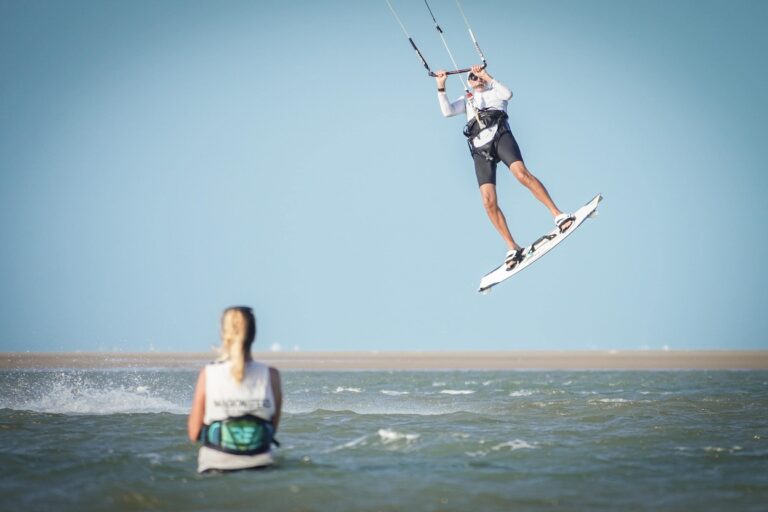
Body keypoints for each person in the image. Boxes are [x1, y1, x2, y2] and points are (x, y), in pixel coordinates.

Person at [435, 65, 574, 270]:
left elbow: (508, 94)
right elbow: (447, 112)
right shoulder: (467, 100)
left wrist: (487, 76)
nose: (476, 78)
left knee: (521, 174)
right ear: (468, 83)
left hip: (500, 136)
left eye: (478, 76)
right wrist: (441, 87)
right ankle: (512, 246)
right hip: (480, 149)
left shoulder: (495, 92)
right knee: (488, 201)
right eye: (472, 77)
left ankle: (558, 214)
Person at [187, 306, 283, 473]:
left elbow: (194, 433)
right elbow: (272, 430)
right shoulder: (271, 375)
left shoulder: (208, 374)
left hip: (215, 465)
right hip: (261, 465)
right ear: (253, 336)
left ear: (224, 335)